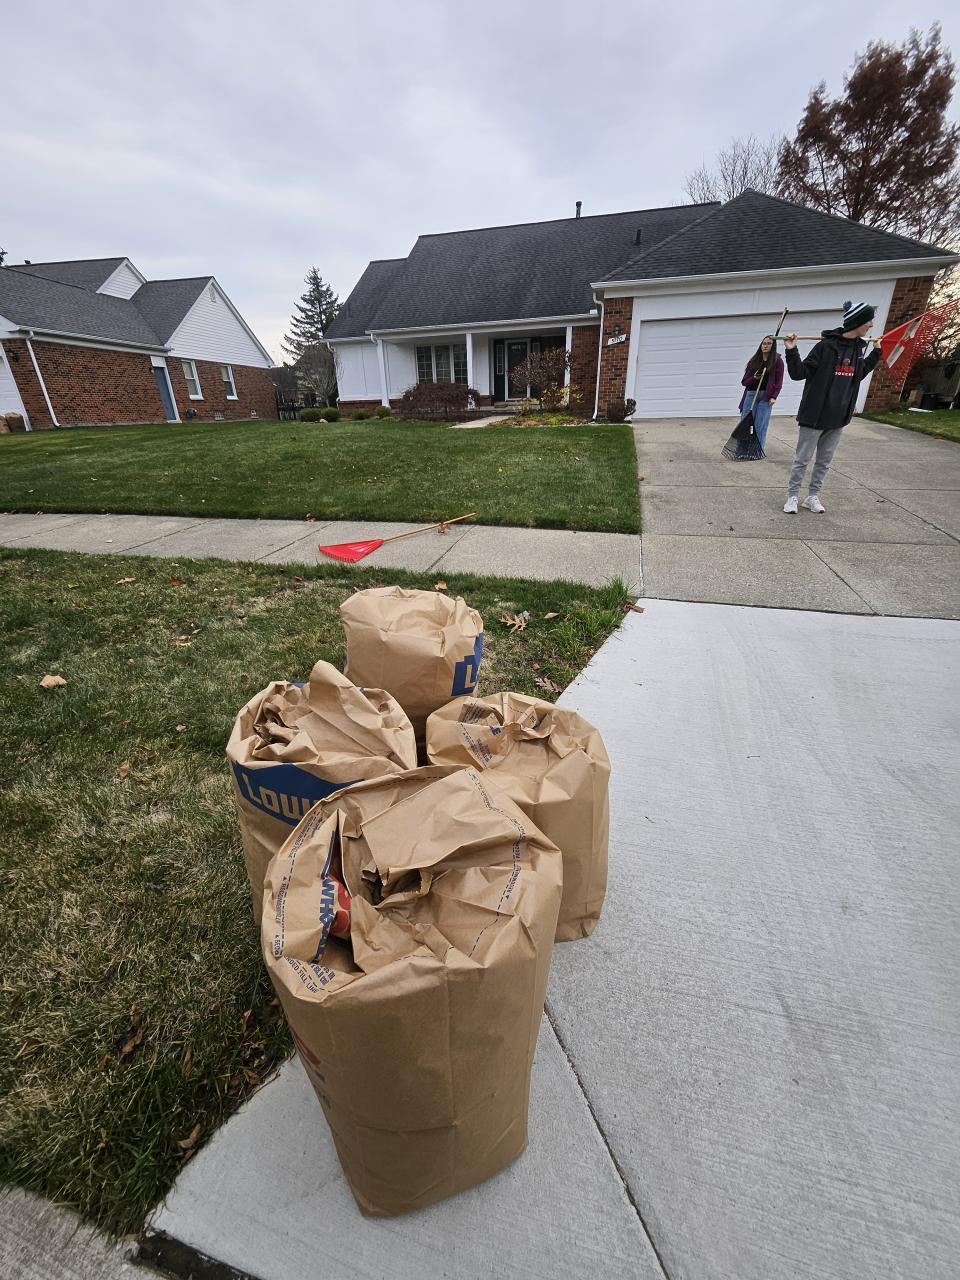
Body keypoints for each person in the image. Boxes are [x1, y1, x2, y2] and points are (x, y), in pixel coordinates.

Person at [782, 301, 882, 514]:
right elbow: (799, 373)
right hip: (814, 416)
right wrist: (792, 350)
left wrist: (876, 353)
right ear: (857, 322)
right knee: (802, 460)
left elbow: (859, 374)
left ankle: (812, 496)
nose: (871, 325)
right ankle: (792, 497)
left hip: (838, 418)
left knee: (824, 462)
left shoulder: (858, 350)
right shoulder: (825, 347)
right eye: (868, 321)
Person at [739, 335, 783, 453]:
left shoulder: (777, 361)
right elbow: (744, 382)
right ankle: (743, 451)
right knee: (746, 423)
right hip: (751, 395)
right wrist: (754, 378)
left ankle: (756, 452)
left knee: (760, 425)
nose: (765, 346)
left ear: (773, 346)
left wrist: (774, 396)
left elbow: (779, 381)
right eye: (764, 343)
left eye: (769, 343)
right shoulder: (754, 361)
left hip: (766, 396)